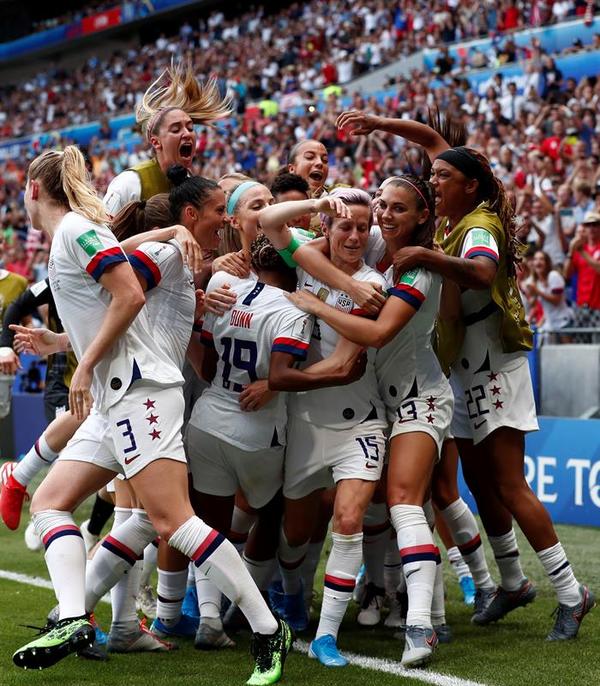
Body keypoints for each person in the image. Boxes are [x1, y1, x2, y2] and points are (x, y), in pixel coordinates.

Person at [12, 147, 291, 686]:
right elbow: (119, 284)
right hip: (123, 394)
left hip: (139, 391)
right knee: (48, 504)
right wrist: (59, 345)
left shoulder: (72, 231)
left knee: (171, 523)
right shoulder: (79, 236)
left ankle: (266, 628)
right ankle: (72, 620)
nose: (227, 224)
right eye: (218, 213)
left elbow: (129, 293)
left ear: (31, 190)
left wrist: (81, 365)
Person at [336, 109, 594, 640]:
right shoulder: (453, 206)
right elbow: (434, 141)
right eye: (432, 177)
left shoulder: (478, 225)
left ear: (469, 185)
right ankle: (514, 582)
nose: (433, 180)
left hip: (493, 362)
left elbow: (479, 271)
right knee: (477, 481)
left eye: (441, 177)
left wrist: (429, 256)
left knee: (508, 482)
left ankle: (571, 594)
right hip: (461, 364)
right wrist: (377, 121)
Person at [288, 176, 454, 666]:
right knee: (405, 508)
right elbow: (315, 240)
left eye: (396, 208)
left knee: (403, 503)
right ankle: (411, 604)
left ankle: (421, 625)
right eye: (381, 204)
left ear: (421, 217)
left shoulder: (419, 268)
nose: (383, 215)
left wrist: (317, 303)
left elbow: (380, 333)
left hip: (420, 398)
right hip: (383, 403)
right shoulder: (382, 244)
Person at [188, 232, 365, 648]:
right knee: (273, 513)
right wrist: (339, 374)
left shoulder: (222, 285)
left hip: (209, 418)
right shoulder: (292, 308)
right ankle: (258, 611)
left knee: (209, 529)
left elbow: (210, 362)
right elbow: (283, 375)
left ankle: (210, 618)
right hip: (257, 431)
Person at [258, 188, 388, 667]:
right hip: (307, 426)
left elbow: (341, 361)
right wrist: (317, 205)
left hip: (360, 425)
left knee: (349, 521)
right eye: (345, 226)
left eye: (362, 228)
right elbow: (271, 220)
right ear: (327, 230)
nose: (354, 236)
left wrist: (276, 383)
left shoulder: (374, 286)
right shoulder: (310, 261)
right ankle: (294, 595)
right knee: (295, 535)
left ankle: (326, 636)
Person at [103, 61, 231, 217]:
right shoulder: (130, 182)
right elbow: (103, 235)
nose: (187, 133)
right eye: (176, 129)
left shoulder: (193, 185)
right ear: (156, 142)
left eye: (190, 128)